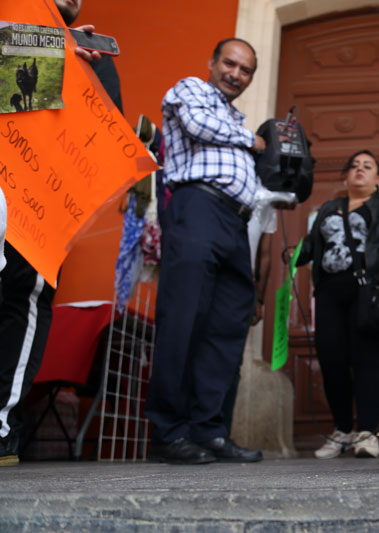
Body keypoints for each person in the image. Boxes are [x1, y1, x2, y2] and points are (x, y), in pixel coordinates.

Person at [0, 0, 123, 467]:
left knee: (24, 297)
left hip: (41, 204)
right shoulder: (15, 28)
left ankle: (1, 427)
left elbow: (106, 135)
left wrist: (75, 70)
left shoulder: (94, 60)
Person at [144, 38, 266, 465]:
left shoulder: (237, 118)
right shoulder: (191, 89)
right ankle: (170, 431)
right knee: (184, 320)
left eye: (245, 70)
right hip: (196, 207)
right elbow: (197, 125)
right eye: (229, 64)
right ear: (212, 62)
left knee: (226, 327)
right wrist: (250, 139)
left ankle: (210, 430)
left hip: (235, 222)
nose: (236, 74)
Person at [295, 150, 379, 459]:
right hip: (329, 293)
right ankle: (342, 431)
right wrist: (297, 254)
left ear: (376, 179)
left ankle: (368, 433)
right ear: (346, 176)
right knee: (332, 362)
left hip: (368, 292)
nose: (360, 170)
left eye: (367, 166)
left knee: (366, 361)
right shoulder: (329, 209)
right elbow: (313, 243)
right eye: (355, 166)